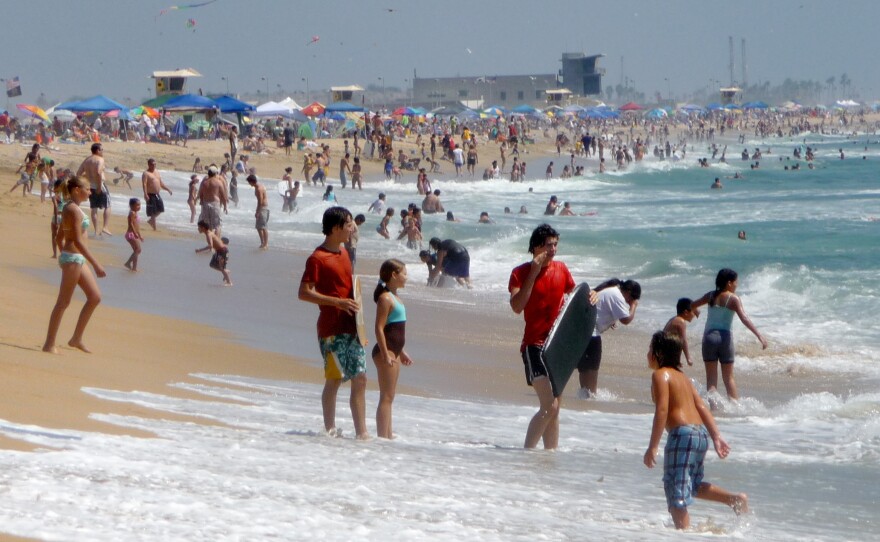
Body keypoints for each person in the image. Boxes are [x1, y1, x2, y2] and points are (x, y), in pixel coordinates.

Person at [643, 331, 748, 530]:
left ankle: (683, 533)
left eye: (650, 349)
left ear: (658, 353)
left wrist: (653, 446)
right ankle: (734, 500)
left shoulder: (660, 375)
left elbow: (662, 409)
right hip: (699, 434)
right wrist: (716, 436)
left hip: (681, 435)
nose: (647, 353)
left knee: (676, 488)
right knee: (693, 484)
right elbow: (701, 407)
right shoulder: (684, 378)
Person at [509, 224, 586, 449]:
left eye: (555, 244)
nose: (553, 249)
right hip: (534, 345)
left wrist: (591, 296)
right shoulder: (519, 273)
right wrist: (534, 272)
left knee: (555, 408)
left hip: (556, 345)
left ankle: (550, 455)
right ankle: (528, 452)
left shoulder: (561, 269)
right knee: (549, 405)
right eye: (548, 245)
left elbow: (574, 298)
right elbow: (517, 306)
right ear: (535, 247)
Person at [298, 207, 369, 439]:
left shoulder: (344, 253)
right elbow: (304, 292)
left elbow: (349, 288)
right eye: (348, 224)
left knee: (360, 378)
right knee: (335, 378)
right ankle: (330, 430)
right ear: (336, 227)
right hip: (330, 329)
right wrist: (336, 303)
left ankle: (362, 434)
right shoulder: (317, 258)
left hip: (352, 326)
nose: (352, 228)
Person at [42, 176, 107, 354]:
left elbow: (59, 237)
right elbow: (77, 240)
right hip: (73, 258)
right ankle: (49, 344)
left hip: (74, 258)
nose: (90, 191)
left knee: (95, 297)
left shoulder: (72, 208)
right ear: (77, 189)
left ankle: (76, 338)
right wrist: (95, 264)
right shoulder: (72, 209)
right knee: (63, 302)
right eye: (87, 188)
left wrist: (63, 252)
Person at [691, 268, 767, 401]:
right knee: (728, 378)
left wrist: (696, 311)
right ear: (729, 283)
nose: (737, 285)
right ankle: (735, 410)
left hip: (709, 339)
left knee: (711, 380)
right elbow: (744, 318)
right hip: (725, 339)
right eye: (736, 282)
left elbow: (691, 304)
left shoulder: (710, 296)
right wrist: (759, 335)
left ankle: (714, 409)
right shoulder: (733, 299)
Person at [371, 259, 414, 438]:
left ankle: (388, 435)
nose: (407, 277)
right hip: (385, 351)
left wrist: (401, 352)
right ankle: (383, 436)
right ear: (394, 275)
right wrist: (385, 354)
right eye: (404, 273)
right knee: (386, 396)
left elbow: (395, 329)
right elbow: (379, 328)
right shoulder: (385, 298)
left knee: (390, 396)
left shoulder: (396, 298)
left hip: (394, 351)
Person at [577, 279, 640, 396]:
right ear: (628, 292)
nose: (628, 302)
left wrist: (610, 321)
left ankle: (583, 401)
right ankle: (589, 404)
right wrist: (634, 306)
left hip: (584, 332)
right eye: (630, 299)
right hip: (591, 334)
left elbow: (603, 309)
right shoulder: (617, 295)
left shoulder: (612, 291)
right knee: (591, 373)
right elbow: (626, 319)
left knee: (585, 372)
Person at [77, 142, 112, 236]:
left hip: (90, 186)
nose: (103, 151)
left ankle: (96, 230)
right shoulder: (100, 159)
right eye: (102, 150)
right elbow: (98, 172)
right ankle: (105, 227)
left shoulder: (87, 160)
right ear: (97, 150)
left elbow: (78, 173)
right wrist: (99, 186)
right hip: (99, 185)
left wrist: (83, 185)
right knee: (108, 205)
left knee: (94, 208)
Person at [195, 220, 232, 286]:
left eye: (199, 227)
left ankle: (229, 282)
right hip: (218, 251)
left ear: (203, 228)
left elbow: (210, 246)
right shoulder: (208, 233)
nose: (198, 229)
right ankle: (226, 272)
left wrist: (200, 250)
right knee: (212, 264)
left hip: (223, 251)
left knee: (221, 267)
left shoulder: (209, 234)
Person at [142, 158, 173, 231]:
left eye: (155, 164)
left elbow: (161, 183)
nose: (154, 166)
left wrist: (168, 189)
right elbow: (144, 184)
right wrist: (145, 194)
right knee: (153, 212)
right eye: (152, 164)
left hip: (157, 194)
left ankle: (150, 221)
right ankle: (154, 228)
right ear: (149, 165)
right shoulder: (146, 173)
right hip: (150, 194)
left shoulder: (157, 172)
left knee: (161, 209)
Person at [664, 298, 696, 366]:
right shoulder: (680, 321)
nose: (694, 314)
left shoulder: (674, 318)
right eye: (693, 311)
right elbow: (683, 341)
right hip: (666, 353)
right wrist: (688, 358)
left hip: (663, 351)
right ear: (686, 312)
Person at [197, 165, 228, 235]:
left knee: (208, 225)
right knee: (217, 225)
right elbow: (223, 195)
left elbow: (201, 194)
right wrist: (225, 206)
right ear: (215, 173)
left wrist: (201, 201)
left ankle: (210, 242)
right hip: (215, 204)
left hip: (205, 204)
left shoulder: (204, 182)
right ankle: (217, 241)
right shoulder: (218, 182)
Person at [247, 174, 269, 249]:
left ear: (252, 182)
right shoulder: (259, 186)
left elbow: (260, 201)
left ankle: (265, 244)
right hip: (263, 207)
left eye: (249, 182)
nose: (249, 184)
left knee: (263, 227)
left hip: (263, 208)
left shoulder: (259, 189)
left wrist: (257, 212)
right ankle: (262, 242)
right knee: (259, 227)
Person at [123, 198, 145, 271]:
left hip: (134, 233)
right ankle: (130, 265)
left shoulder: (135, 213)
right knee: (138, 250)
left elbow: (137, 226)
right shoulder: (132, 213)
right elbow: (131, 224)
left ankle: (132, 266)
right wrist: (135, 233)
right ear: (131, 206)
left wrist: (140, 235)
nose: (139, 206)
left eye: (140, 205)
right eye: (137, 205)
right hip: (130, 234)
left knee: (136, 251)